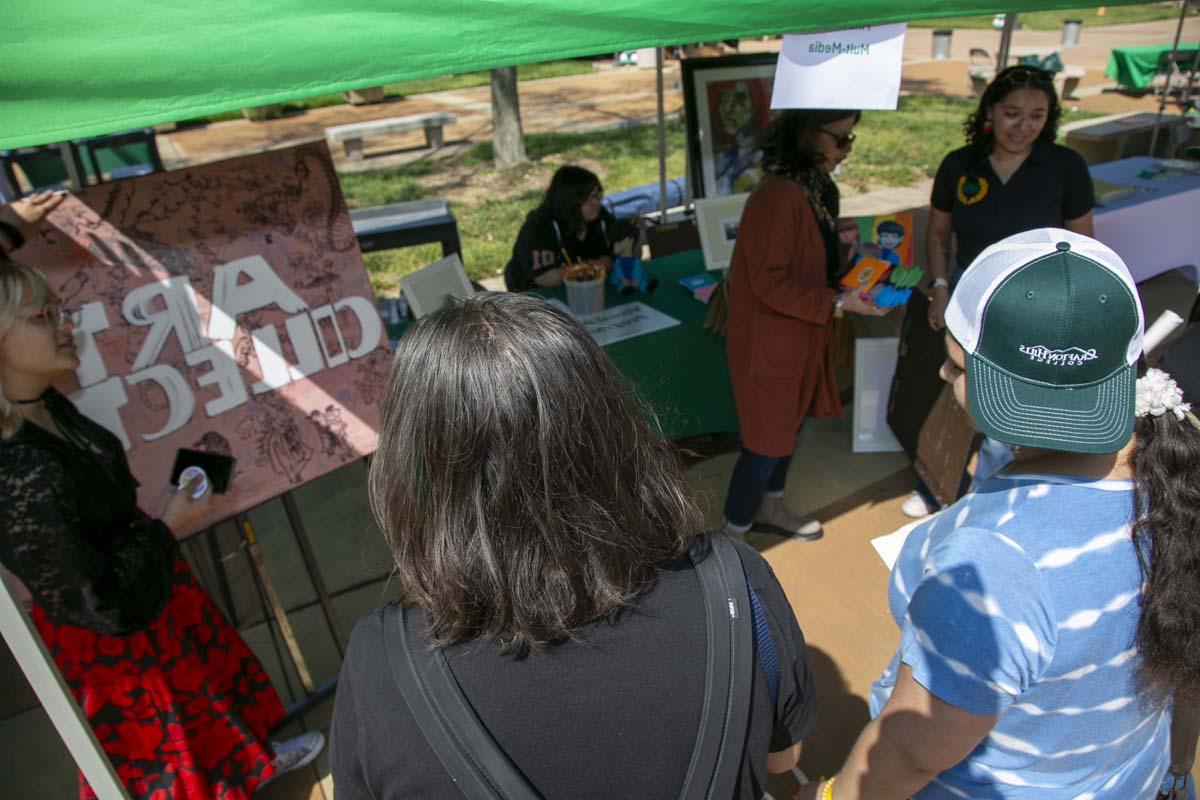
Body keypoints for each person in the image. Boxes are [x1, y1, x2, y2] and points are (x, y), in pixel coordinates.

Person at [330, 292, 819, 798]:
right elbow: (783, 758)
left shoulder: (380, 665)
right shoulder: (734, 581)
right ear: (613, 427)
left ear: (416, 464)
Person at [800, 229, 1200, 799]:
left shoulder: (998, 559)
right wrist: (1179, 766)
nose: (943, 376)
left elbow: (914, 750)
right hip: (1131, 774)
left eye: (958, 368)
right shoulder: (1178, 469)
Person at [0, 251, 324, 797]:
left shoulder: (46, 405)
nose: (65, 325)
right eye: (41, 316)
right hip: (117, 642)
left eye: (60, 310)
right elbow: (96, 600)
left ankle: (248, 768)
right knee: (164, 764)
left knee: (205, 711)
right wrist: (168, 524)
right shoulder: (15, 470)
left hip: (150, 593)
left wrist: (167, 513)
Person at [902, 65, 1095, 518]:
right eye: (1012, 113)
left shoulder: (1065, 167)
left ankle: (994, 501)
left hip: (1037, 304)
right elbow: (938, 236)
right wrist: (940, 287)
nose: (1022, 126)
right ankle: (933, 485)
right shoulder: (959, 165)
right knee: (954, 391)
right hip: (970, 296)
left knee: (1013, 403)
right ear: (990, 111)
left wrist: (1070, 309)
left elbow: (1085, 245)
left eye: (1036, 115)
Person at [722, 109, 889, 542]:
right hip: (771, 345)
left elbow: (813, 260)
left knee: (788, 432)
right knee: (764, 444)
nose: (846, 150)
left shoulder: (814, 188)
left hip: (801, 339)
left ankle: (770, 507)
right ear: (805, 136)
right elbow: (768, 281)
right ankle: (733, 538)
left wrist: (858, 263)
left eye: (851, 138)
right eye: (840, 139)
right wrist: (836, 300)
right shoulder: (777, 196)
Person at [503, 165, 637, 291]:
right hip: (533, 295)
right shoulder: (539, 227)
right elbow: (547, 278)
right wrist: (594, 266)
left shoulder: (599, 217)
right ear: (571, 202)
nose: (598, 203)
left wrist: (603, 263)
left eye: (599, 196)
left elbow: (623, 252)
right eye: (592, 197)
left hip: (585, 289)